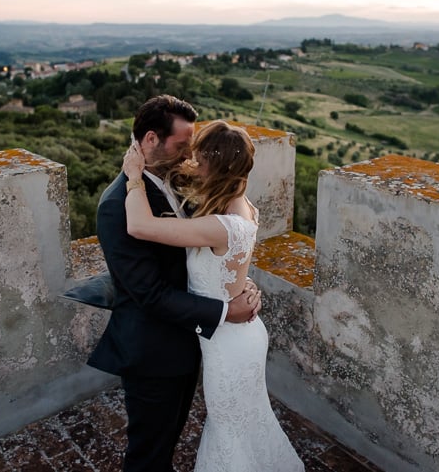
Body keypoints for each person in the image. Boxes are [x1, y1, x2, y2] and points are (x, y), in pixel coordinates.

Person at [88, 96, 262, 472]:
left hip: (190, 342)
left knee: (169, 440)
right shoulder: (117, 204)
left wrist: (238, 284)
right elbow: (149, 293)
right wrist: (225, 310)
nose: (191, 156)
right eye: (184, 146)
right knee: (148, 454)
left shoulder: (178, 181)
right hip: (153, 353)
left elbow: (219, 244)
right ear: (151, 139)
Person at [121, 119, 304, 472]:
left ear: (215, 166)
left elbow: (139, 226)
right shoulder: (242, 206)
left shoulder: (219, 226)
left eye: (200, 158)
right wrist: (245, 285)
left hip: (228, 346)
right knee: (248, 421)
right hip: (242, 334)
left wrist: (133, 177)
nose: (193, 162)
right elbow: (231, 268)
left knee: (229, 430)